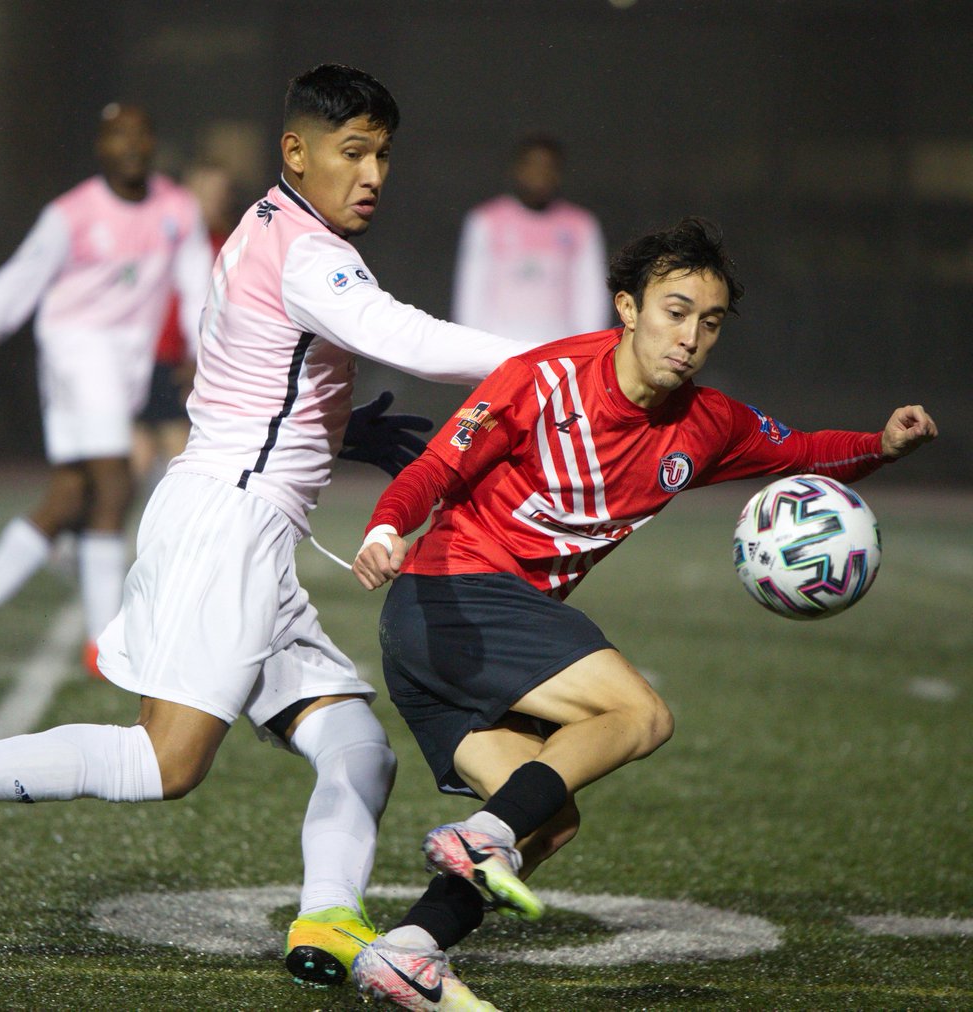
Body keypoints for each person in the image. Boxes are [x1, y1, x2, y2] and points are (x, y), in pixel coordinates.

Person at [0, 65, 545, 994]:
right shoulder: (311, 253)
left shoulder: (266, 230)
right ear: (296, 152)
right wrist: (558, 358)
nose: (372, 175)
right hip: (224, 526)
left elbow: (239, 375)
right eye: (352, 152)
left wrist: (337, 432)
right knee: (167, 762)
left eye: (383, 155)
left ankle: (327, 916)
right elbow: (408, 338)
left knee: (356, 744)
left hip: (246, 524)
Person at [348, 217, 938, 1010]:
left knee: (546, 821)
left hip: (451, 640)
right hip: (452, 599)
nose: (691, 336)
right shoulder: (541, 379)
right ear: (627, 307)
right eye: (675, 310)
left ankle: (407, 950)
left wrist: (882, 446)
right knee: (642, 715)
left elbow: (800, 451)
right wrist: (387, 523)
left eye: (710, 320)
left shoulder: (708, 423)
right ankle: (478, 841)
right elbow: (438, 465)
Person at [0, 103, 214, 679]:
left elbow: (198, 284)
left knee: (68, 497)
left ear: (154, 144)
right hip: (75, 352)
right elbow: (15, 285)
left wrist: (204, 355)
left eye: (141, 134)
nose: (131, 146)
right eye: (118, 137)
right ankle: (103, 646)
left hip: (124, 366)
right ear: (100, 148)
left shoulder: (177, 210)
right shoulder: (71, 215)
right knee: (113, 483)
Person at [131, 161, 239, 489]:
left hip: (191, 359)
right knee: (165, 452)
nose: (212, 202)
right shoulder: (165, 240)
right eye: (204, 194)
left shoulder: (233, 245)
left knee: (158, 451)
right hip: (158, 354)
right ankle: (94, 532)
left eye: (220, 194)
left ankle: (95, 532)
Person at [453, 134, 609, 344]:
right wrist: (473, 343)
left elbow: (591, 291)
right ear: (517, 169)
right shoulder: (486, 220)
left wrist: (585, 346)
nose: (539, 174)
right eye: (532, 165)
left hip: (558, 345)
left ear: (559, 173)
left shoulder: (580, 224)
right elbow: (472, 289)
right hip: (499, 345)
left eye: (548, 167)